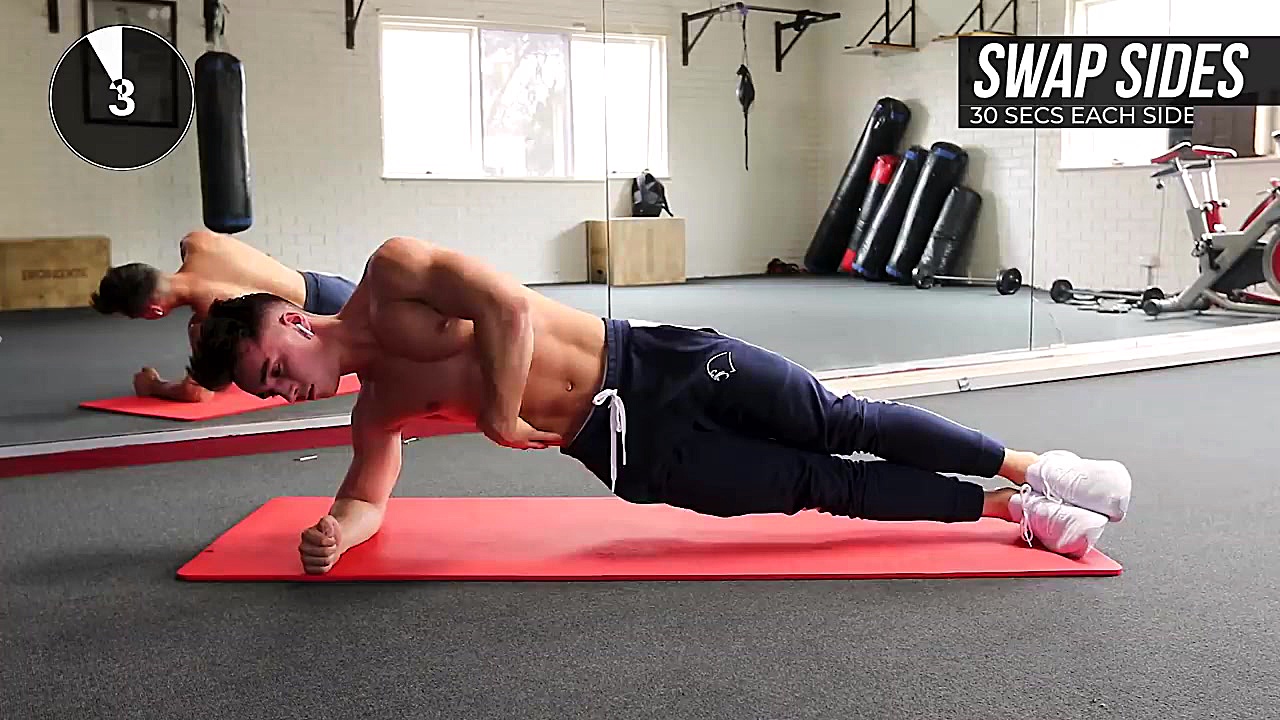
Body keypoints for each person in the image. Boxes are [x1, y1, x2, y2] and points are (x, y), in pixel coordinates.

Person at [186, 237, 1132, 575]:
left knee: (839, 419)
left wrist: (499, 417)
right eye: (266, 392)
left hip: (652, 362)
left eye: (272, 368)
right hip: (627, 453)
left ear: (291, 320)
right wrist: (337, 533)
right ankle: (1015, 512)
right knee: (822, 487)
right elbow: (367, 492)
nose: (282, 392)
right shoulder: (377, 408)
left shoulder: (394, 274)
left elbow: (508, 308)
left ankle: (1036, 465)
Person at [90, 229, 357, 402]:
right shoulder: (196, 241)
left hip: (319, 319)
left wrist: (154, 386)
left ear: (153, 312)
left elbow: (198, 392)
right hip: (329, 285)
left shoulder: (211, 320)